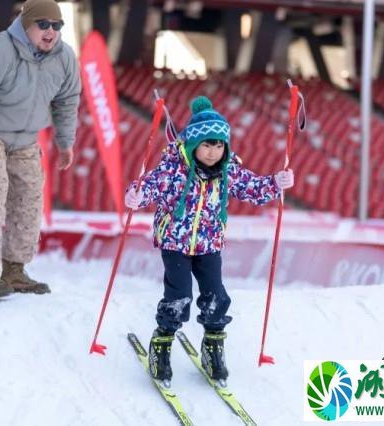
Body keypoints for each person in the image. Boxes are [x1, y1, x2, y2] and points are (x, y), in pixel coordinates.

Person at [125, 96, 294, 383]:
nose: (213, 152)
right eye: (207, 145)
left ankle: (213, 347)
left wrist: (276, 183)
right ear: (193, 145)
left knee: (216, 296)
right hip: (175, 243)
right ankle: (162, 344)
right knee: (179, 297)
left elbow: (253, 188)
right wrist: (137, 195)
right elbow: (150, 186)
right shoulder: (174, 170)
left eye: (219, 145)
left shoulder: (227, 170)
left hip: (209, 244)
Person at [0, 0, 81, 301]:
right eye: (43, 24)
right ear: (26, 24)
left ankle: (14, 270)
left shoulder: (64, 58)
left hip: (26, 139)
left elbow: (67, 100)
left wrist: (65, 142)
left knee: (30, 202)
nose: (51, 31)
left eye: (57, 26)